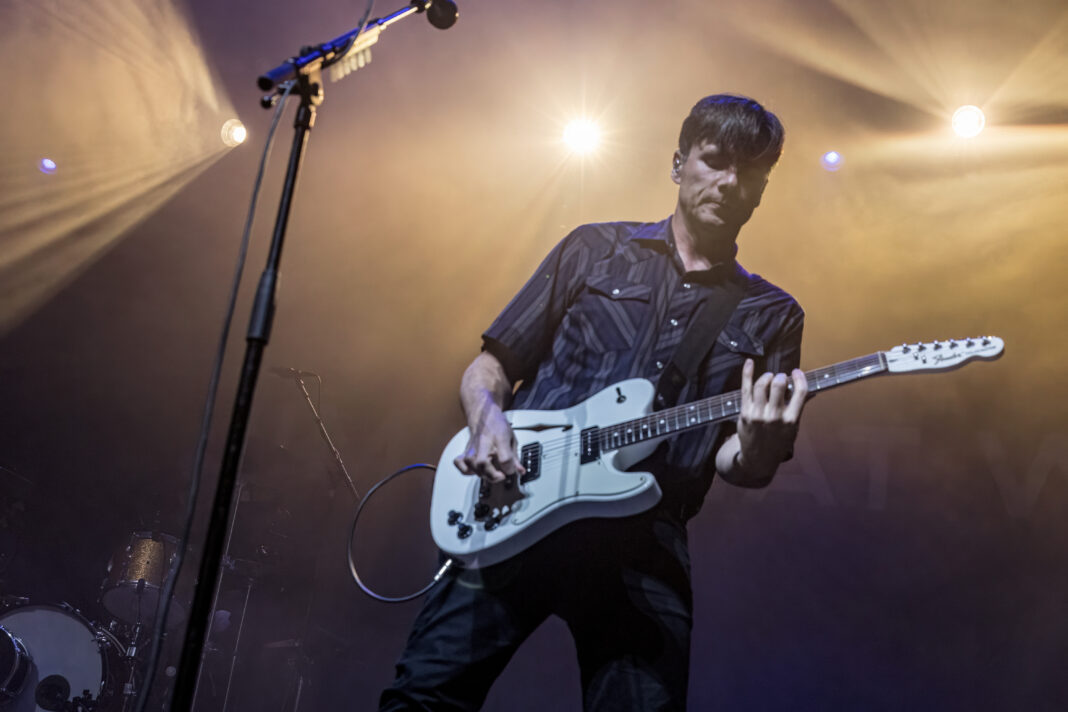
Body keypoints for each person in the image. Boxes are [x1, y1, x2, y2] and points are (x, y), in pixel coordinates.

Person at [380, 94, 809, 711]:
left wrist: (761, 442)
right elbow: (492, 365)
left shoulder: (772, 314)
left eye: (751, 171)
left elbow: (741, 466)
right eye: (715, 160)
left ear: (764, 189)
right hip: (515, 506)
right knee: (424, 698)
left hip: (645, 540)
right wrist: (487, 420)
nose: (730, 181)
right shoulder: (592, 249)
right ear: (678, 163)